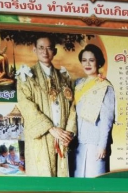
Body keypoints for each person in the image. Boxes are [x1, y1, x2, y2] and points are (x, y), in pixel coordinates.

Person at [16, 36, 76, 177]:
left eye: (49, 48)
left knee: (62, 178)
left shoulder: (64, 78)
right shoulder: (26, 77)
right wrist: (51, 128)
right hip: (41, 137)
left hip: (62, 137)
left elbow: (73, 107)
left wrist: (67, 133)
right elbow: (26, 106)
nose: (45, 52)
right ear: (35, 50)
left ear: (54, 51)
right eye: (41, 48)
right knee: (42, 175)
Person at [73, 44, 116, 178]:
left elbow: (107, 119)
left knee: (94, 182)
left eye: (91, 60)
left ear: (98, 62)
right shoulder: (78, 84)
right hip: (78, 142)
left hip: (95, 143)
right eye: (84, 60)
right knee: (78, 182)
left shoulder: (105, 86)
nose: (87, 64)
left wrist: (102, 145)